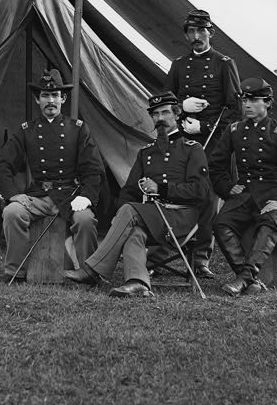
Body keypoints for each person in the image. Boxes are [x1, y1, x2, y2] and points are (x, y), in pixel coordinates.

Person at [64, 92, 210, 298]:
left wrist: (161, 189)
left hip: (181, 218)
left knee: (131, 210)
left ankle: (92, 270)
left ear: (177, 114)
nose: (160, 119)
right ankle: (137, 282)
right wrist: (120, 216)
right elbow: (130, 191)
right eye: (155, 114)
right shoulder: (146, 153)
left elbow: (201, 191)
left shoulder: (192, 149)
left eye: (165, 112)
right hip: (153, 217)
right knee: (133, 229)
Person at [0, 68, 104, 284]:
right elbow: (1, 165)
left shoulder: (78, 129)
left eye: (55, 96)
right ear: (37, 99)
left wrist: (87, 196)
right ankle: (16, 271)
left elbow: (93, 168)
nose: (50, 100)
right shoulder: (27, 130)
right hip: (39, 196)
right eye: (45, 95)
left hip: (70, 196)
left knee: (85, 220)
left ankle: (88, 272)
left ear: (63, 98)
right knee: (12, 212)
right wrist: (13, 194)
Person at [209, 78, 277, 297]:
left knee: (271, 222)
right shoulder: (234, 130)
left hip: (272, 193)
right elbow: (215, 164)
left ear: (267, 103)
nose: (247, 105)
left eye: (254, 100)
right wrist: (227, 188)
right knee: (220, 223)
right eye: (245, 100)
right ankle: (248, 279)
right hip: (244, 194)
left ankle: (243, 280)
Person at [162, 9, 241, 279]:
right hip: (183, 142)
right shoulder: (179, 64)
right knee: (177, 192)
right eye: (191, 32)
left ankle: (201, 258)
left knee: (208, 198)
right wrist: (181, 108)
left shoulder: (224, 63)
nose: (196, 37)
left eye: (201, 31)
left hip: (213, 143)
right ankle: (167, 252)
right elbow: (165, 103)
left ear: (211, 33)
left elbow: (235, 109)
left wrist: (205, 126)